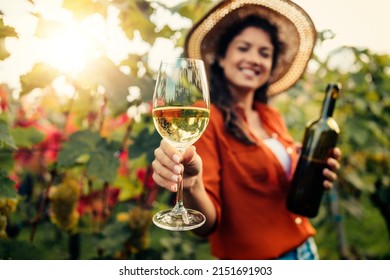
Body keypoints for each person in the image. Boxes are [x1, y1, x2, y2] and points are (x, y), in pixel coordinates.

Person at [152, 0, 342, 260]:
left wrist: (312, 173)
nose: (254, 59)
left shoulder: (270, 116)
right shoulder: (207, 120)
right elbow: (206, 225)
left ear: (271, 64)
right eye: (244, 48)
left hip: (306, 251)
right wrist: (191, 185)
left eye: (264, 53)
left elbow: (280, 182)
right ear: (220, 57)